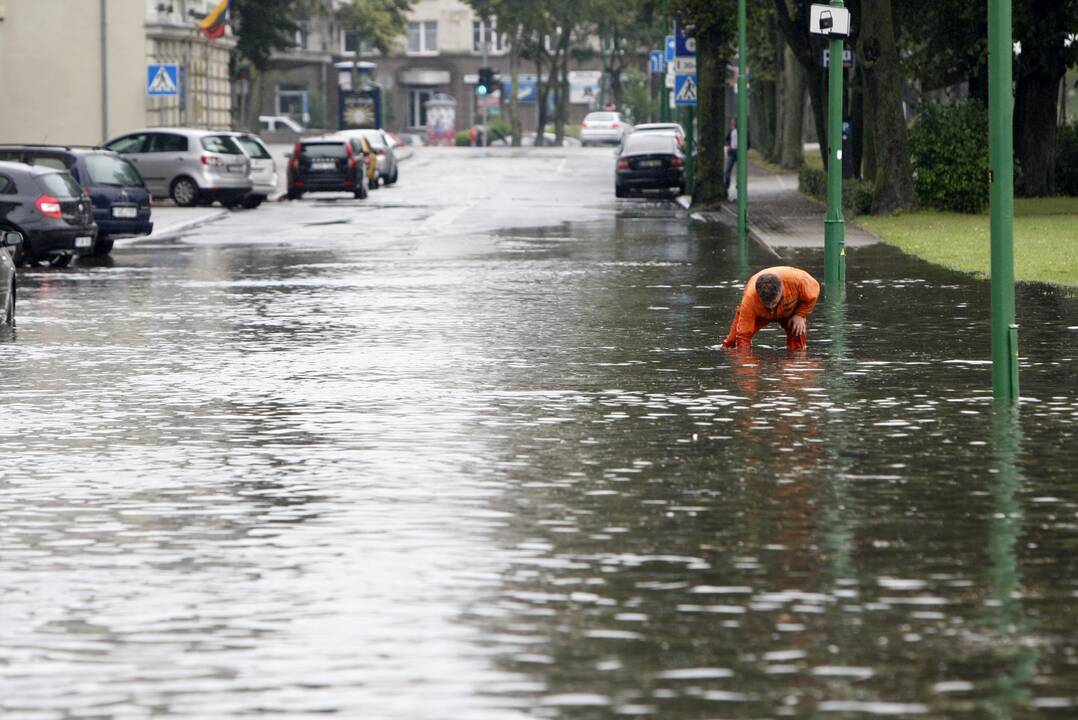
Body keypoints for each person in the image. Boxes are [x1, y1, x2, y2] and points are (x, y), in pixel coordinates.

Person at [723, 266, 820, 351]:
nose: (770, 306)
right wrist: (746, 365)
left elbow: (813, 295)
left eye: (773, 302)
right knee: (732, 343)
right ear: (757, 294)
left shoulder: (800, 281)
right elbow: (743, 336)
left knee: (798, 337)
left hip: (791, 311)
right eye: (766, 303)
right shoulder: (749, 299)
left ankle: (796, 361)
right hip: (759, 314)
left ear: (781, 289)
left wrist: (800, 314)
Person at [723, 116, 738, 193]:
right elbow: (727, 139)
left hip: (739, 152)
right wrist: (728, 145)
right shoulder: (730, 130)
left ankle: (739, 185)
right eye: (732, 121)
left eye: (734, 121)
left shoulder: (742, 130)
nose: (732, 122)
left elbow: (748, 142)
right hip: (731, 152)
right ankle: (726, 186)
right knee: (727, 170)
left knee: (740, 170)